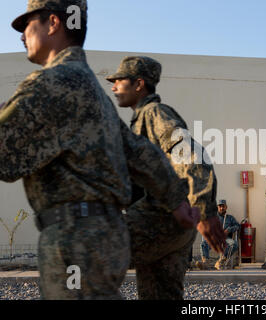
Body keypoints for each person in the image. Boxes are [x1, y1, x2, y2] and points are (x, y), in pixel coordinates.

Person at [0, 0, 200, 300]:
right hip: (106, 234)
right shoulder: (92, 91)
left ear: (53, 23)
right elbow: (140, 152)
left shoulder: (53, 82)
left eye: (28, 25)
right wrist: (176, 201)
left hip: (75, 239)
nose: (21, 35)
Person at [107, 56, 226, 299]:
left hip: (161, 218)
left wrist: (203, 210)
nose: (113, 87)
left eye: (119, 81)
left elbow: (191, 155)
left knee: (86, 257)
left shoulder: (155, 114)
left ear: (139, 84)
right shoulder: (142, 118)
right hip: (174, 226)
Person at [200, 200, 240, 270]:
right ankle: (205, 263)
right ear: (217, 207)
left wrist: (229, 229)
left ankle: (221, 261)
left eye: (223, 206)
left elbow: (238, 226)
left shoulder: (230, 218)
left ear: (226, 207)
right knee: (204, 244)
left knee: (234, 244)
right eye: (220, 206)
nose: (221, 208)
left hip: (226, 238)